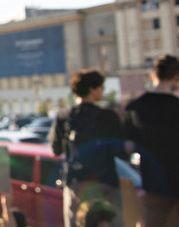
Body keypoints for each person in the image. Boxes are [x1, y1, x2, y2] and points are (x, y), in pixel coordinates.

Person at [49, 69, 124, 227]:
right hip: (106, 182)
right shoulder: (108, 116)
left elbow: (55, 149)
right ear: (92, 89)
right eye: (101, 88)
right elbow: (121, 151)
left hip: (76, 183)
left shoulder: (64, 116)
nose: (103, 91)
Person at [123, 54, 179, 226]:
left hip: (153, 185)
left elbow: (128, 147)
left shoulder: (135, 108)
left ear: (153, 75)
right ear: (177, 77)